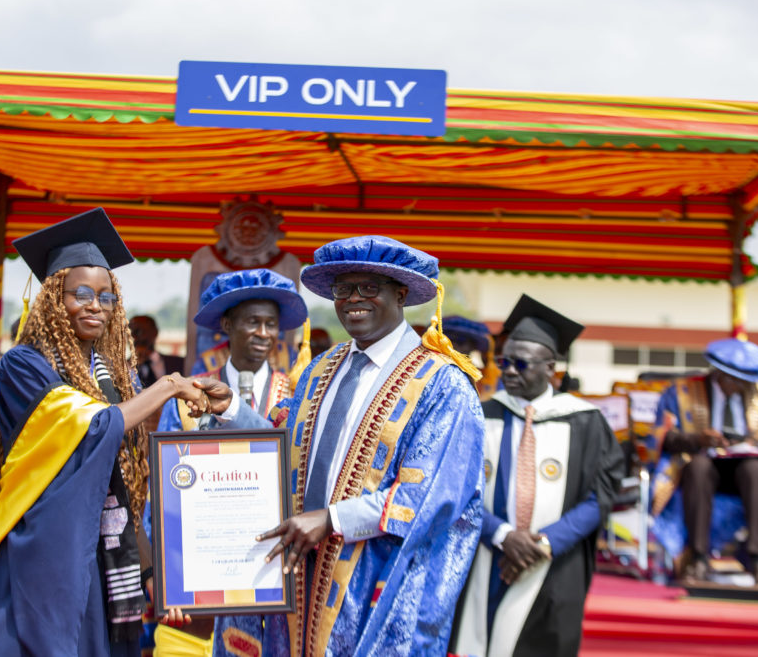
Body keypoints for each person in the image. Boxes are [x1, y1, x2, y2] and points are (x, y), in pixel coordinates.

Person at [199, 235, 486, 656]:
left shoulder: (442, 385)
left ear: (401, 294)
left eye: (369, 287)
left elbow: (431, 497)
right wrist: (233, 411)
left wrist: (331, 519)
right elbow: (288, 451)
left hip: (374, 581)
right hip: (298, 576)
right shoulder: (321, 369)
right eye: (343, 289)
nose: (353, 299)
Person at [0, 207, 210, 656]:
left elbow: (121, 485)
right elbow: (94, 425)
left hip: (101, 558)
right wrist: (169, 385)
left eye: (106, 297)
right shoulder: (24, 366)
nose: (95, 306)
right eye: (81, 293)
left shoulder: (112, 376)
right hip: (41, 552)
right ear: (54, 296)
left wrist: (153, 575)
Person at [450, 294, 624, 657]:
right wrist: (502, 535)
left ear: (550, 368)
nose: (509, 371)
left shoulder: (586, 421)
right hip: (487, 553)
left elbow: (601, 495)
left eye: (521, 364)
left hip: (556, 559)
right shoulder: (479, 415)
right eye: (504, 361)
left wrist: (542, 545)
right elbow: (456, 488)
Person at [151, 268, 307, 656]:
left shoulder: (297, 394)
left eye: (271, 324)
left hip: (270, 573)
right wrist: (166, 574)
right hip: (202, 572)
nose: (264, 333)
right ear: (227, 325)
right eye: (252, 322)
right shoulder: (190, 393)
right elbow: (164, 491)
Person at [651, 337, 758, 586]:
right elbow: (662, 437)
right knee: (698, 467)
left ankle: (757, 557)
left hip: (746, 469)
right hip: (701, 469)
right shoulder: (680, 392)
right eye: (734, 380)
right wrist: (698, 439)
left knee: (754, 470)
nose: (740, 386)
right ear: (719, 374)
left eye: (745, 382)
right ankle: (698, 557)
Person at [443, 314, 501, 401]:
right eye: (450, 340)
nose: (454, 346)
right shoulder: (433, 370)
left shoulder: (479, 377)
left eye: (461, 341)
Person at [129, 314, 185, 388]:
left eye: (139, 332)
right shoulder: (124, 368)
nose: (134, 338)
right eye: (129, 334)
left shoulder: (179, 363)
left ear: (154, 333)